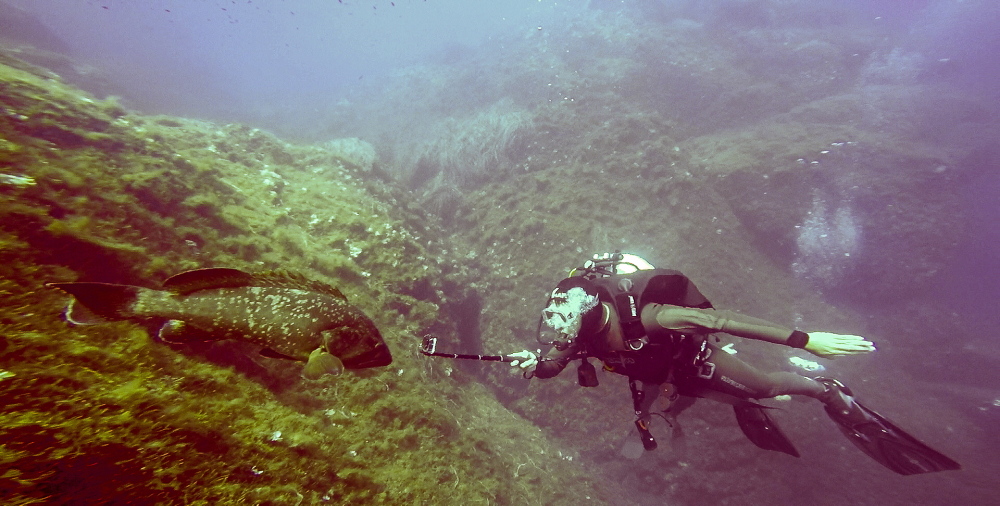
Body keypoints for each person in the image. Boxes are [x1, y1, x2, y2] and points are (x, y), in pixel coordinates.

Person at [507, 252, 960, 475]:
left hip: (691, 363)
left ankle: (828, 390)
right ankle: (695, 404)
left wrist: (806, 341)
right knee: (659, 406)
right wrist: (533, 365)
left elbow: (724, 319)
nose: (566, 348)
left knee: (761, 387)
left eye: (571, 342)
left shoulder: (653, 317)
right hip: (656, 373)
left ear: (593, 320)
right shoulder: (576, 331)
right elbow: (553, 364)